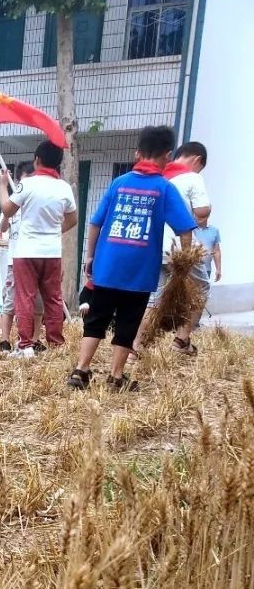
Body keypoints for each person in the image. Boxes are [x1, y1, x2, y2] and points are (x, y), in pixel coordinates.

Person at [67, 125, 197, 392]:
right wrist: (184, 263)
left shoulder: (119, 183)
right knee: (127, 322)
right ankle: (116, 377)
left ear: (137, 152)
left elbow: (95, 223)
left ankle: (80, 371)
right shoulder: (164, 189)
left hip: (107, 268)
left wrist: (91, 256)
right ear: (167, 156)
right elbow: (185, 228)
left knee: (96, 319)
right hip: (139, 273)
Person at [0, 141, 78, 359]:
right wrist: (53, 232)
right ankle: (56, 343)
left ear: (37, 160)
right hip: (52, 252)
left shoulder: (28, 184)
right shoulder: (63, 187)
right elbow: (72, 219)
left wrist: (2, 184)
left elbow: (7, 209)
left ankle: (25, 346)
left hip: (26, 252)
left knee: (25, 297)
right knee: (53, 298)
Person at [135, 142, 211, 355]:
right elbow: (202, 211)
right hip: (180, 247)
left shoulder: (157, 178)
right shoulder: (192, 177)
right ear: (196, 159)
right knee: (200, 288)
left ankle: (137, 345)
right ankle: (181, 340)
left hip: (154, 245)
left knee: (154, 298)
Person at [0, 161, 45, 353]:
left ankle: (34, 339)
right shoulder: (14, 205)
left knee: (38, 304)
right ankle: (5, 339)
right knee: (10, 303)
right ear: (17, 181)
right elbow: (2, 228)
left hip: (37, 261)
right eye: (25, 179)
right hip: (14, 262)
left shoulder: (40, 203)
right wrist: (3, 187)